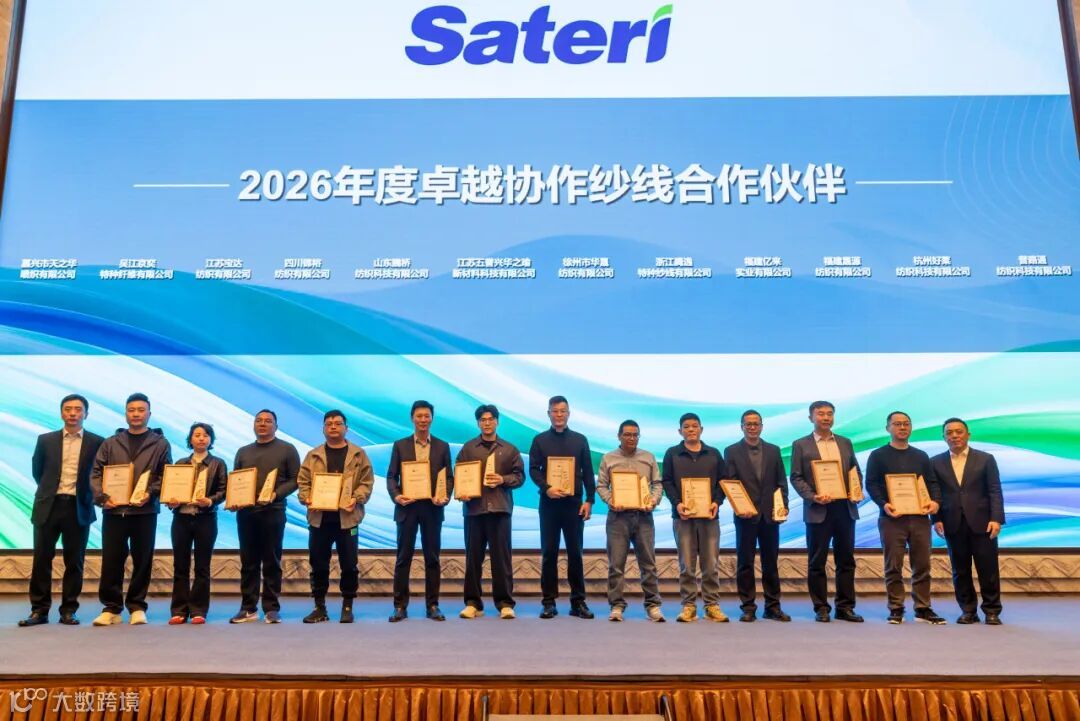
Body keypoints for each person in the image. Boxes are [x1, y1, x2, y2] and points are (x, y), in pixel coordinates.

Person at [20, 394, 105, 627]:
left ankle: (69, 610)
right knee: (41, 560)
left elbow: (100, 474)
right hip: (48, 505)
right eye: (68, 409)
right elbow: (38, 471)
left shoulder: (97, 442)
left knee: (74, 562)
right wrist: (50, 490)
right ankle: (39, 610)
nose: (73, 413)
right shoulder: (45, 440)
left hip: (78, 507)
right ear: (61, 413)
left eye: (78, 409)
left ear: (86, 414)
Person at [89, 393, 172, 626]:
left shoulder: (160, 443)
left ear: (149, 414)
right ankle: (111, 608)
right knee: (111, 560)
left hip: (145, 511)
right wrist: (101, 498)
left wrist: (150, 493)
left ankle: (137, 606)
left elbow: (165, 474)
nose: (136, 414)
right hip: (114, 510)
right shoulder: (111, 442)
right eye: (131, 410)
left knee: (143, 560)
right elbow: (95, 472)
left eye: (141, 410)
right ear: (126, 413)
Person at [865, 411, 946, 625]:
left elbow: (932, 483)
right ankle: (896, 608)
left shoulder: (921, 456)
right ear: (888, 428)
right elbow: (871, 484)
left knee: (922, 565)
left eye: (906, 424)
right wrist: (884, 504)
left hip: (919, 518)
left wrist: (935, 503)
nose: (902, 427)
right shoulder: (878, 455)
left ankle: (923, 608)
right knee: (893, 565)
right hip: (891, 518)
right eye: (897, 424)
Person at [297, 410, 374, 624]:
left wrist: (356, 498)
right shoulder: (313, 455)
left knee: (349, 564)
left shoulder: (358, 454)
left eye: (338, 423)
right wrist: (306, 498)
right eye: (329, 423)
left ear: (346, 428)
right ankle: (319, 607)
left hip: (348, 519)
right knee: (318, 564)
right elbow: (303, 482)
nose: (333, 426)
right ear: (323, 428)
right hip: (319, 519)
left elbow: (366, 482)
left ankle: (347, 605)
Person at [790, 400, 864, 623]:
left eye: (829, 414)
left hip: (844, 509)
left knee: (846, 561)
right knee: (817, 562)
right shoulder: (800, 444)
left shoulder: (845, 442)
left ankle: (845, 607)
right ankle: (821, 607)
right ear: (811, 418)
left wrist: (856, 490)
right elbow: (796, 477)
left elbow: (855, 471)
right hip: (818, 509)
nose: (825, 417)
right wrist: (813, 496)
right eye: (820, 414)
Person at [931, 418, 1005, 625]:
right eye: (949, 433)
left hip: (983, 523)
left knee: (988, 569)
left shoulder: (985, 459)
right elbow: (934, 493)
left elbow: (994, 490)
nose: (954, 436)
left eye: (959, 431)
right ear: (944, 437)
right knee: (960, 570)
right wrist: (936, 519)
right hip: (952, 522)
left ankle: (992, 610)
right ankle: (968, 610)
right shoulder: (935, 462)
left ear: (968, 435)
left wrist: (996, 518)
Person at [228, 409, 300, 624]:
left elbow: (295, 479)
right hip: (246, 513)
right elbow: (236, 481)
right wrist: (234, 500)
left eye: (268, 421)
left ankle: (271, 608)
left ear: (276, 426)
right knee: (248, 562)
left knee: (271, 560)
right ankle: (248, 608)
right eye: (258, 420)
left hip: (273, 512)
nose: (262, 424)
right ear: (253, 425)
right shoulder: (243, 452)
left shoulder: (287, 449)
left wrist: (275, 494)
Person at [529, 395, 596, 619]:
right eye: (555, 411)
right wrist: (546, 488)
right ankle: (548, 602)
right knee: (549, 553)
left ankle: (578, 602)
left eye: (562, 411)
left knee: (575, 553)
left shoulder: (580, 440)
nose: (559, 415)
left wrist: (590, 500)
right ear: (548, 414)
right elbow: (534, 469)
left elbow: (588, 472)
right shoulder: (540, 440)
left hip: (574, 505)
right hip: (549, 504)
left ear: (569, 414)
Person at [386, 400, 453, 622]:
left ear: (432, 419)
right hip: (407, 508)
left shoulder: (442, 446)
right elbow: (391, 476)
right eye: (419, 416)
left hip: (432, 509)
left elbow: (448, 478)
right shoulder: (400, 445)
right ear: (412, 418)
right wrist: (397, 496)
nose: (423, 420)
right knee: (403, 558)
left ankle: (433, 605)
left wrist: (444, 496)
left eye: (427, 416)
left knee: (432, 558)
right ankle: (399, 606)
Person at [456, 404, 524, 620]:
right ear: (478, 423)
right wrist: (461, 492)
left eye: (490, 419)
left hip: (500, 510)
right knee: (473, 559)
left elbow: (520, 477)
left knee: (501, 560)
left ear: (497, 421)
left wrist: (503, 479)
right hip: (474, 511)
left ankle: (505, 604)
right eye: (483, 420)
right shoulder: (468, 448)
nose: (487, 423)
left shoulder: (510, 449)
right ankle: (473, 603)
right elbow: (459, 476)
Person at [722, 409, 791, 623]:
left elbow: (781, 482)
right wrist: (738, 506)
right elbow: (730, 483)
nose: (752, 427)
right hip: (745, 516)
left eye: (756, 423)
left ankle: (773, 607)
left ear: (762, 426)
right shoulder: (731, 451)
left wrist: (783, 506)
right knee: (745, 563)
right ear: (741, 427)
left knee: (771, 563)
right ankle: (748, 607)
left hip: (770, 516)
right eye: (748, 424)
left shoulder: (773, 450)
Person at [661, 413, 728, 623]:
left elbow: (723, 481)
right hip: (683, 517)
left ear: (701, 429)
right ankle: (688, 606)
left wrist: (717, 502)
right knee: (686, 565)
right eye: (686, 427)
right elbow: (667, 482)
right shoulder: (672, 453)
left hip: (709, 517)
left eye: (695, 426)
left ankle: (712, 605)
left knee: (711, 564)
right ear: (680, 431)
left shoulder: (714, 454)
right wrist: (677, 503)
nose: (691, 429)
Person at [595, 420, 664, 622]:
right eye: (627, 434)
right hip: (618, 518)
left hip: (644, 517)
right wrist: (610, 500)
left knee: (648, 564)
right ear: (619, 436)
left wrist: (653, 500)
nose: (631, 438)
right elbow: (601, 485)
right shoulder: (608, 458)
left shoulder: (648, 457)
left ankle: (653, 606)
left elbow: (657, 484)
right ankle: (616, 606)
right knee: (616, 565)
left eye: (635, 435)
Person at [167, 422, 227, 625]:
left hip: (206, 519)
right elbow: (171, 490)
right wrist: (171, 500)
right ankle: (179, 610)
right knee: (180, 566)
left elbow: (223, 490)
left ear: (211, 440)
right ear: (190, 439)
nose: (201, 438)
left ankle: (199, 610)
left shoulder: (218, 463)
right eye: (197, 435)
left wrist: (210, 501)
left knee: (202, 566)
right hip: (181, 519)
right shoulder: (180, 463)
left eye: (206, 435)